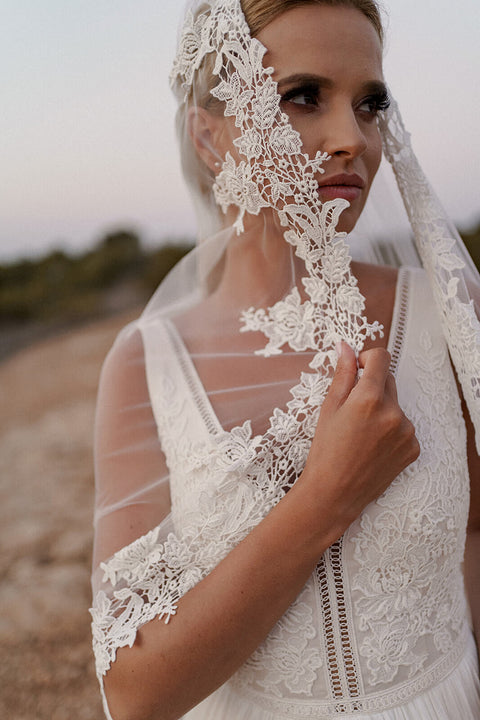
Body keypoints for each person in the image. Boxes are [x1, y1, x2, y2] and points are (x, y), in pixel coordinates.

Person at [90, 1, 480, 719]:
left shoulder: (443, 315)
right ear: (209, 135)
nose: (350, 140)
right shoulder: (147, 364)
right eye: (303, 97)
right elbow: (135, 692)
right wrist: (326, 496)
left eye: (370, 105)